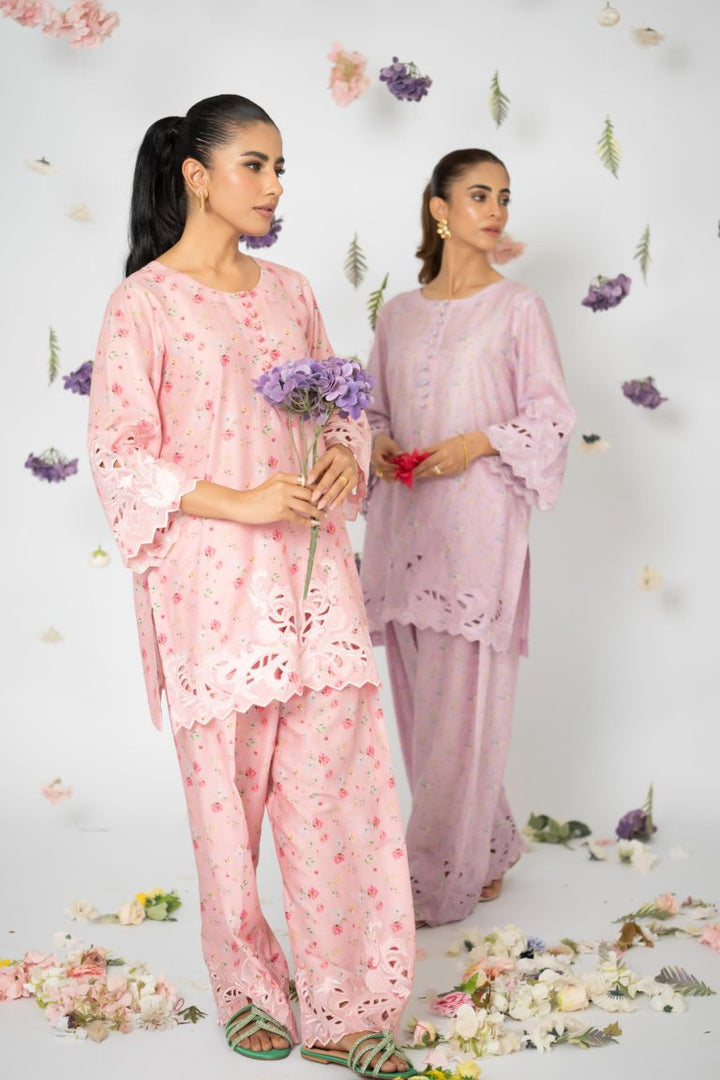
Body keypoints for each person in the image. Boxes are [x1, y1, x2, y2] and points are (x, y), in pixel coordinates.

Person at [88, 94, 415, 1075]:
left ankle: (346, 1004)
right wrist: (240, 500)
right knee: (226, 814)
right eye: (256, 166)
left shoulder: (291, 291)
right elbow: (118, 455)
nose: (275, 186)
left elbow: (343, 409)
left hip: (314, 582)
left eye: (280, 169)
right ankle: (247, 989)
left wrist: (341, 457)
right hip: (211, 591)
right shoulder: (143, 303)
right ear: (198, 176)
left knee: (337, 795)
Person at [361, 149, 575, 927]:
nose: (495, 211)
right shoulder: (398, 314)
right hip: (405, 523)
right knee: (427, 710)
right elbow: (374, 412)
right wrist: (377, 445)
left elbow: (551, 416)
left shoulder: (518, 308)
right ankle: (488, 843)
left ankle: (433, 876)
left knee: (464, 702)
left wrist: (473, 444)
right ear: (439, 209)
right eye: (479, 195)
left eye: (504, 198)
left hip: (480, 525)